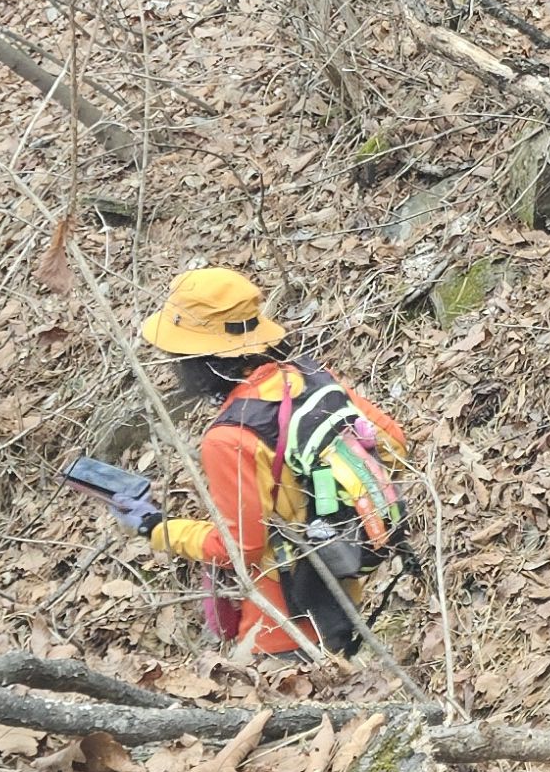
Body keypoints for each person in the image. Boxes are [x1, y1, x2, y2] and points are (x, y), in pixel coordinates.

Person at [135, 266, 404, 659]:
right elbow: (393, 442)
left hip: (282, 627)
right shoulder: (312, 376)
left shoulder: (230, 438)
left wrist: (162, 530)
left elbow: (239, 549)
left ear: (198, 358)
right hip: (345, 575)